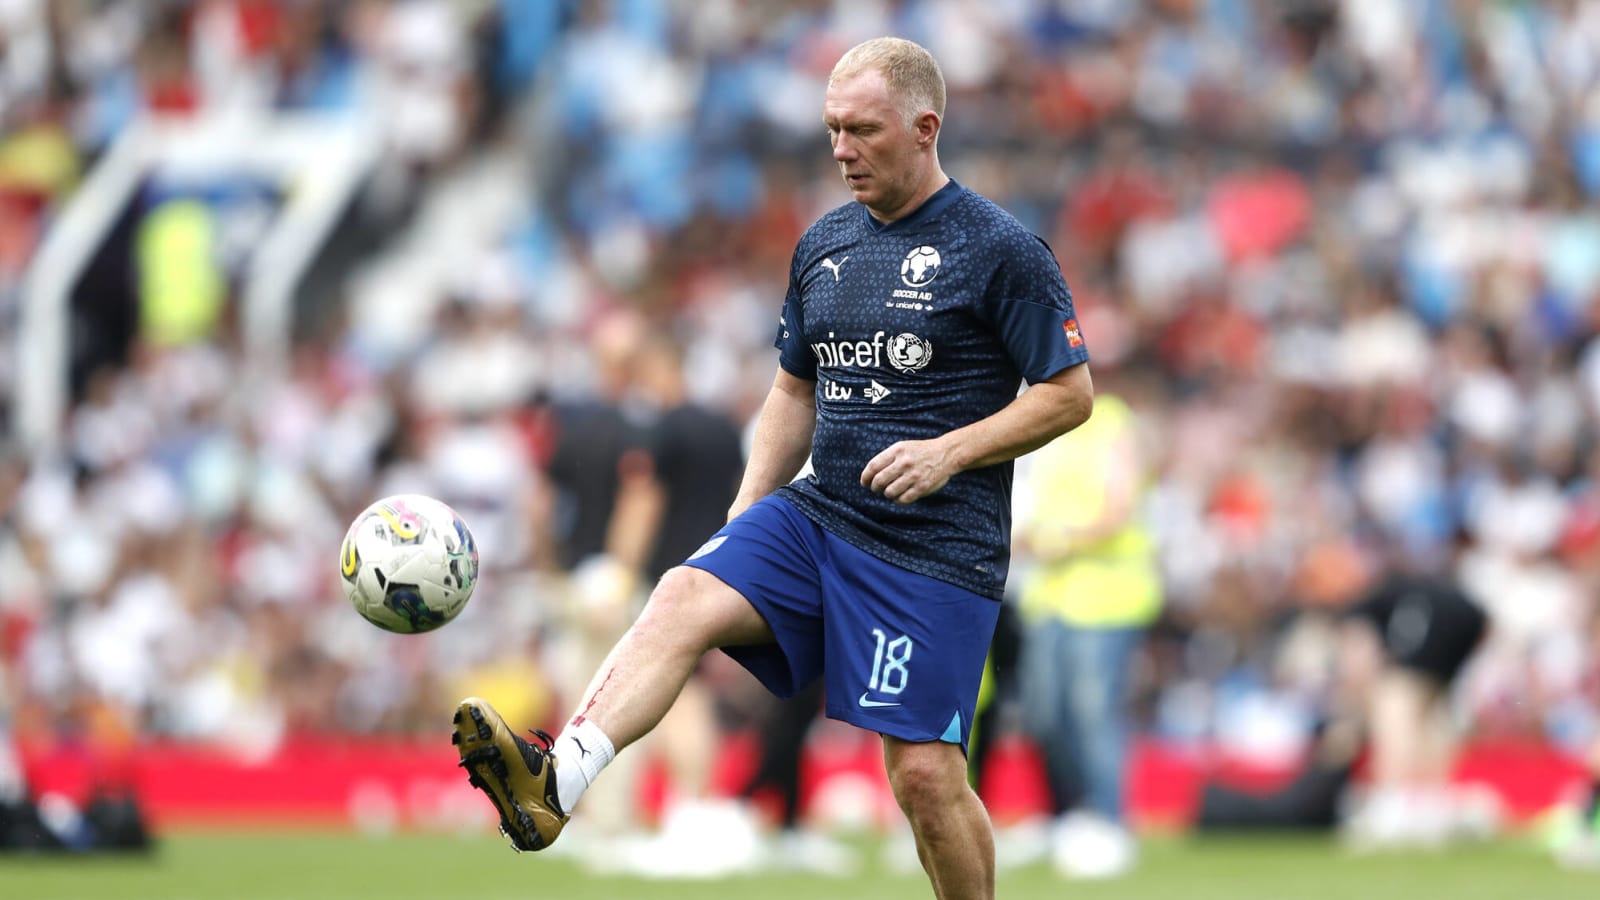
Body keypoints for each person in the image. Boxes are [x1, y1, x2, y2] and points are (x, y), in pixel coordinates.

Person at [450, 36, 1094, 900]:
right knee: (680, 594)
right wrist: (747, 516)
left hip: (934, 550)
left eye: (862, 130)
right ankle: (555, 784)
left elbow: (1068, 394)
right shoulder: (824, 245)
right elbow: (793, 393)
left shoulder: (1000, 248)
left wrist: (950, 451)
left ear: (925, 127)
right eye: (832, 129)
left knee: (924, 781)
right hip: (819, 515)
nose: (841, 150)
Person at [1009, 382, 1161, 879]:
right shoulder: (1042, 428)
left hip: (1107, 597)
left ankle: (1110, 822)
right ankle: (1072, 818)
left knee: (1095, 712)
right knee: (1046, 713)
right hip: (1049, 598)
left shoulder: (1112, 420)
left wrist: (1053, 540)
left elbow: (1118, 509)